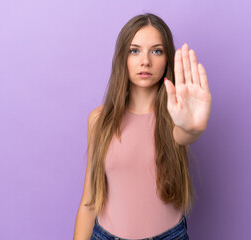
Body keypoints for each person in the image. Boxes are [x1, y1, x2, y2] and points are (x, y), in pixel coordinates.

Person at [73, 12, 211, 240]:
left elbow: (185, 133)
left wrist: (193, 127)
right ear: (122, 58)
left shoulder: (175, 115)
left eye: (156, 51)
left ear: (167, 59)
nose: (145, 61)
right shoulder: (99, 120)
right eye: (134, 50)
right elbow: (89, 202)